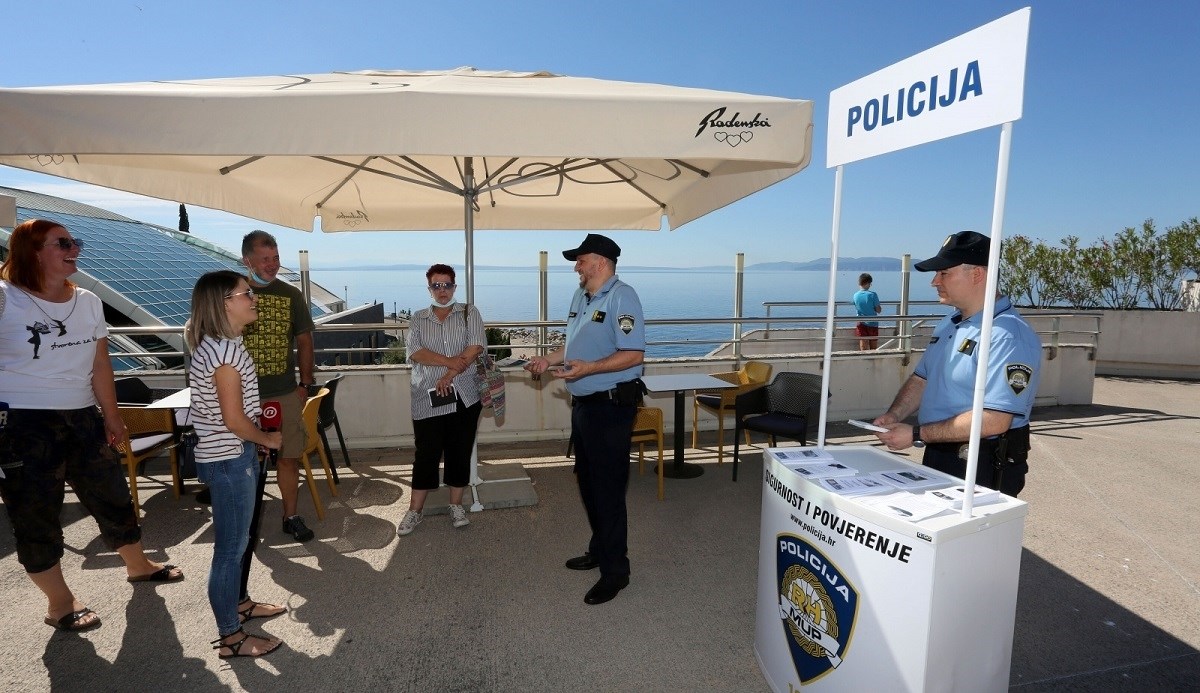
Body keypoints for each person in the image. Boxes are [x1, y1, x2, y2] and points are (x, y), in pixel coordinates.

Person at [0, 219, 183, 633]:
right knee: (35, 514)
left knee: (112, 495)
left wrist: (112, 415)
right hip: (22, 423)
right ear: (31, 251)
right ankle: (59, 603)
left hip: (83, 415)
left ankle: (138, 565)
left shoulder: (86, 301)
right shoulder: (5, 299)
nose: (74, 249)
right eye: (63, 243)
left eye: (75, 241)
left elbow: (101, 362)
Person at [871, 231, 1041, 496]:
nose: (934, 281)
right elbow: (922, 379)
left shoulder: (1007, 336)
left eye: (944, 273)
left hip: (981, 464)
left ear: (977, 274)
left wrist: (916, 434)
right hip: (940, 452)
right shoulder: (950, 324)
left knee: (972, 537)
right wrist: (894, 416)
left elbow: (994, 420)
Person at [524, 234, 645, 605]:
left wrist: (590, 368)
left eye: (581, 259)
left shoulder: (623, 297)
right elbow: (573, 343)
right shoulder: (582, 295)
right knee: (589, 484)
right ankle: (599, 548)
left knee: (608, 490)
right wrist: (549, 359)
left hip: (610, 408)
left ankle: (616, 572)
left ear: (601, 262)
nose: (576, 265)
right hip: (584, 407)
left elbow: (634, 354)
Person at [186, 270, 286, 658]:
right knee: (230, 549)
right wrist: (266, 439)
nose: (254, 297)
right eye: (247, 293)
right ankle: (231, 636)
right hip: (229, 458)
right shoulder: (225, 353)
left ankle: (240, 603)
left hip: (229, 455)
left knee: (239, 541)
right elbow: (234, 419)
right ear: (225, 303)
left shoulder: (219, 344)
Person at [396, 264, 486, 536]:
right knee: (426, 454)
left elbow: (476, 346)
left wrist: (448, 374)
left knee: (459, 451)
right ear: (429, 288)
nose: (442, 290)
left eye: (447, 284)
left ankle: (456, 505)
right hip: (427, 396)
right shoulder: (419, 318)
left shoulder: (470, 313)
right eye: (437, 285)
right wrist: (449, 363)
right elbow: (416, 352)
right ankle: (415, 510)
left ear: (454, 287)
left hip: (464, 394)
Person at [240, 230, 318, 542]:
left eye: (275, 258)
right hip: (242, 396)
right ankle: (246, 523)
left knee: (288, 456)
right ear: (248, 260)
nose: (272, 264)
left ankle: (291, 516)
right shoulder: (233, 294)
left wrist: (305, 384)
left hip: (284, 392)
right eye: (265, 259)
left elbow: (305, 340)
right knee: (244, 459)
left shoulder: (291, 295)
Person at [852, 272, 882, 350]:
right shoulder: (873, 295)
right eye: (870, 283)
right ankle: (873, 361)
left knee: (863, 347)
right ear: (867, 283)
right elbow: (878, 310)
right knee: (873, 348)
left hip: (860, 322)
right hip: (873, 323)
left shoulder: (855, 295)